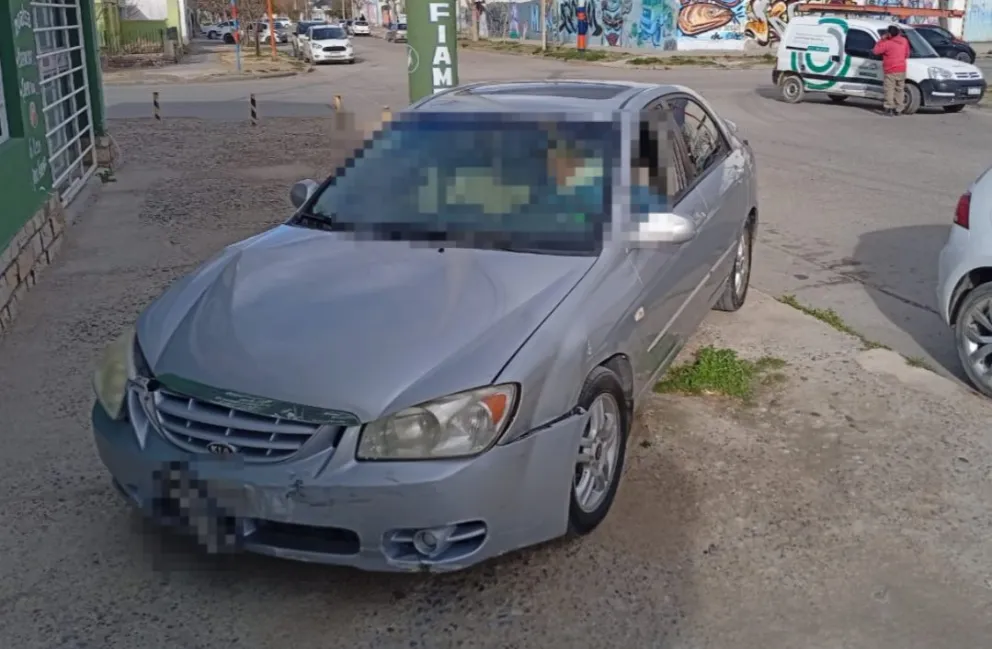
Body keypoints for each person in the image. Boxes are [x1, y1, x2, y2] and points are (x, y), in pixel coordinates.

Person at [872, 25, 911, 117]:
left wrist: (881, 40)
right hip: (901, 68)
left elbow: (876, 51)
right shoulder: (904, 41)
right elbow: (907, 54)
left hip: (890, 69)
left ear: (889, 34)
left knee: (889, 89)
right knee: (899, 89)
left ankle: (889, 108)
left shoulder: (887, 43)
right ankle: (899, 108)